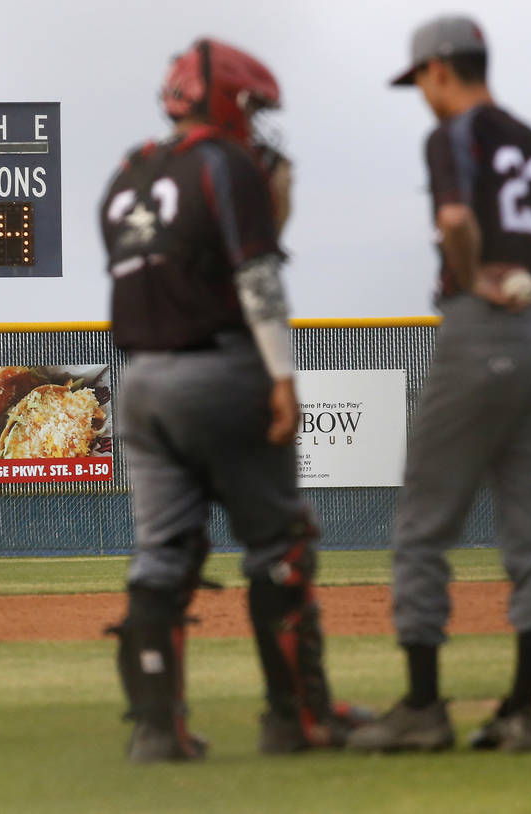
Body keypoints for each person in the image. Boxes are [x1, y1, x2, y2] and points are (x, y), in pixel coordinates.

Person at [101, 37, 366, 763]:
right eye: (251, 107)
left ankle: (158, 730)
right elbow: (255, 276)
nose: (256, 123)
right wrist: (282, 375)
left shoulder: (127, 175)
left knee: (162, 555)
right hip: (220, 369)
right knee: (281, 548)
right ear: (225, 102)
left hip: (141, 381)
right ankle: (298, 719)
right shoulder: (227, 164)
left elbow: (164, 271)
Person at [347, 15, 531, 753]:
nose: (421, 92)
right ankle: (519, 710)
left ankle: (422, 707)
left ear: (442, 69)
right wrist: (528, 293)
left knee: (422, 525)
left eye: (421, 77)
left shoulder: (455, 135)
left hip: (481, 329)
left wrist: (477, 271)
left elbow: (454, 218)